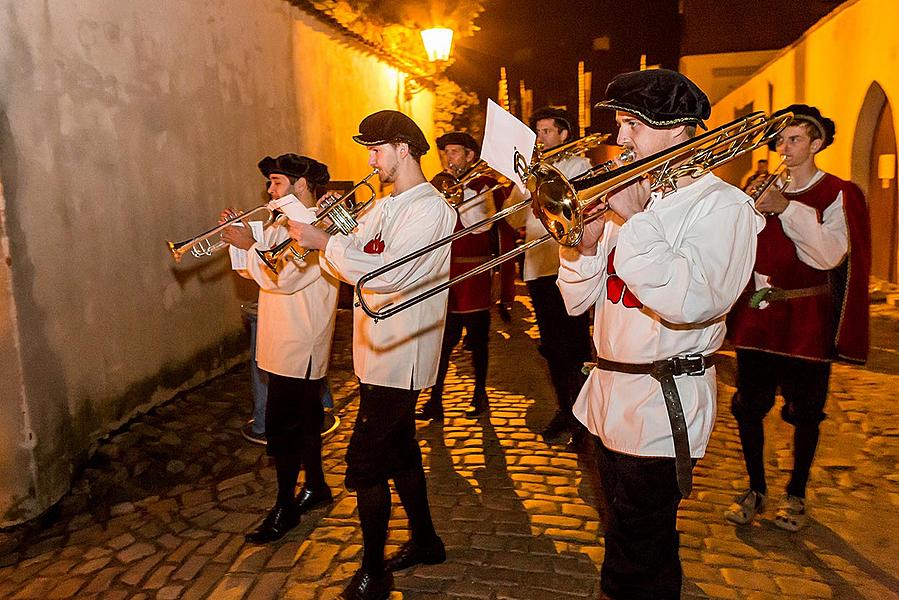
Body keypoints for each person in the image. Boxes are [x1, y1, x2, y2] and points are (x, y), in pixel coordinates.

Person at [557, 69, 763, 599]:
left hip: (661, 407)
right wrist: (584, 244)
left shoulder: (724, 207)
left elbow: (693, 302)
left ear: (679, 129)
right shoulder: (628, 199)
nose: (621, 139)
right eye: (620, 124)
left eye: (632, 124)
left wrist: (635, 220)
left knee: (631, 558)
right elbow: (577, 301)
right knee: (640, 544)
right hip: (608, 400)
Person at [288, 110, 455, 600]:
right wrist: (335, 226)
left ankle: (373, 569)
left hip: (401, 354)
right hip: (376, 351)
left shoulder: (430, 209)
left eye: (376, 149)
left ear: (404, 149)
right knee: (400, 452)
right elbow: (358, 252)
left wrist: (326, 242)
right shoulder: (385, 204)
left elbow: (388, 275)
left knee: (364, 465)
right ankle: (426, 541)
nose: (369, 159)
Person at [725, 104, 870, 532]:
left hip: (806, 317)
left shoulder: (838, 193)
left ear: (817, 143)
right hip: (758, 315)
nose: (784, 148)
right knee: (748, 408)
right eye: (781, 139)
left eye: (795, 139)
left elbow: (828, 254)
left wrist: (785, 209)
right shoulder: (764, 186)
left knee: (806, 412)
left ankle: (797, 494)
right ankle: (755, 487)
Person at [221, 153, 338, 543]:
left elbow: (284, 276)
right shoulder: (283, 223)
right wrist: (240, 239)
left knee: (284, 429)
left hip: (300, 339)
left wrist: (249, 244)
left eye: (276, 182)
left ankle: (285, 508)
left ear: (300, 185)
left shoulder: (317, 226)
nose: (269, 190)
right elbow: (254, 268)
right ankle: (317, 487)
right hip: (283, 334)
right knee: (304, 421)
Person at [505, 106, 593, 443]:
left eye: (546, 131)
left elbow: (582, 216)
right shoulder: (530, 172)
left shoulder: (579, 167)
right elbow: (512, 221)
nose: (539, 137)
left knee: (575, 346)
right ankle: (565, 408)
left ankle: (585, 413)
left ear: (563, 134)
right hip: (538, 268)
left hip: (567, 268)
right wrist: (527, 194)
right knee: (553, 348)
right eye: (537, 131)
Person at [417, 131, 499, 421]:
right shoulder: (439, 183)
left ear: (469, 156)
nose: (448, 158)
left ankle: (480, 394)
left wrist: (462, 194)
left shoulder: (484, 185)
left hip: (474, 272)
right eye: (446, 152)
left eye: (454, 152)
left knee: (478, 340)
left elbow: (481, 227)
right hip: (445, 272)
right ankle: (435, 400)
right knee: (443, 340)